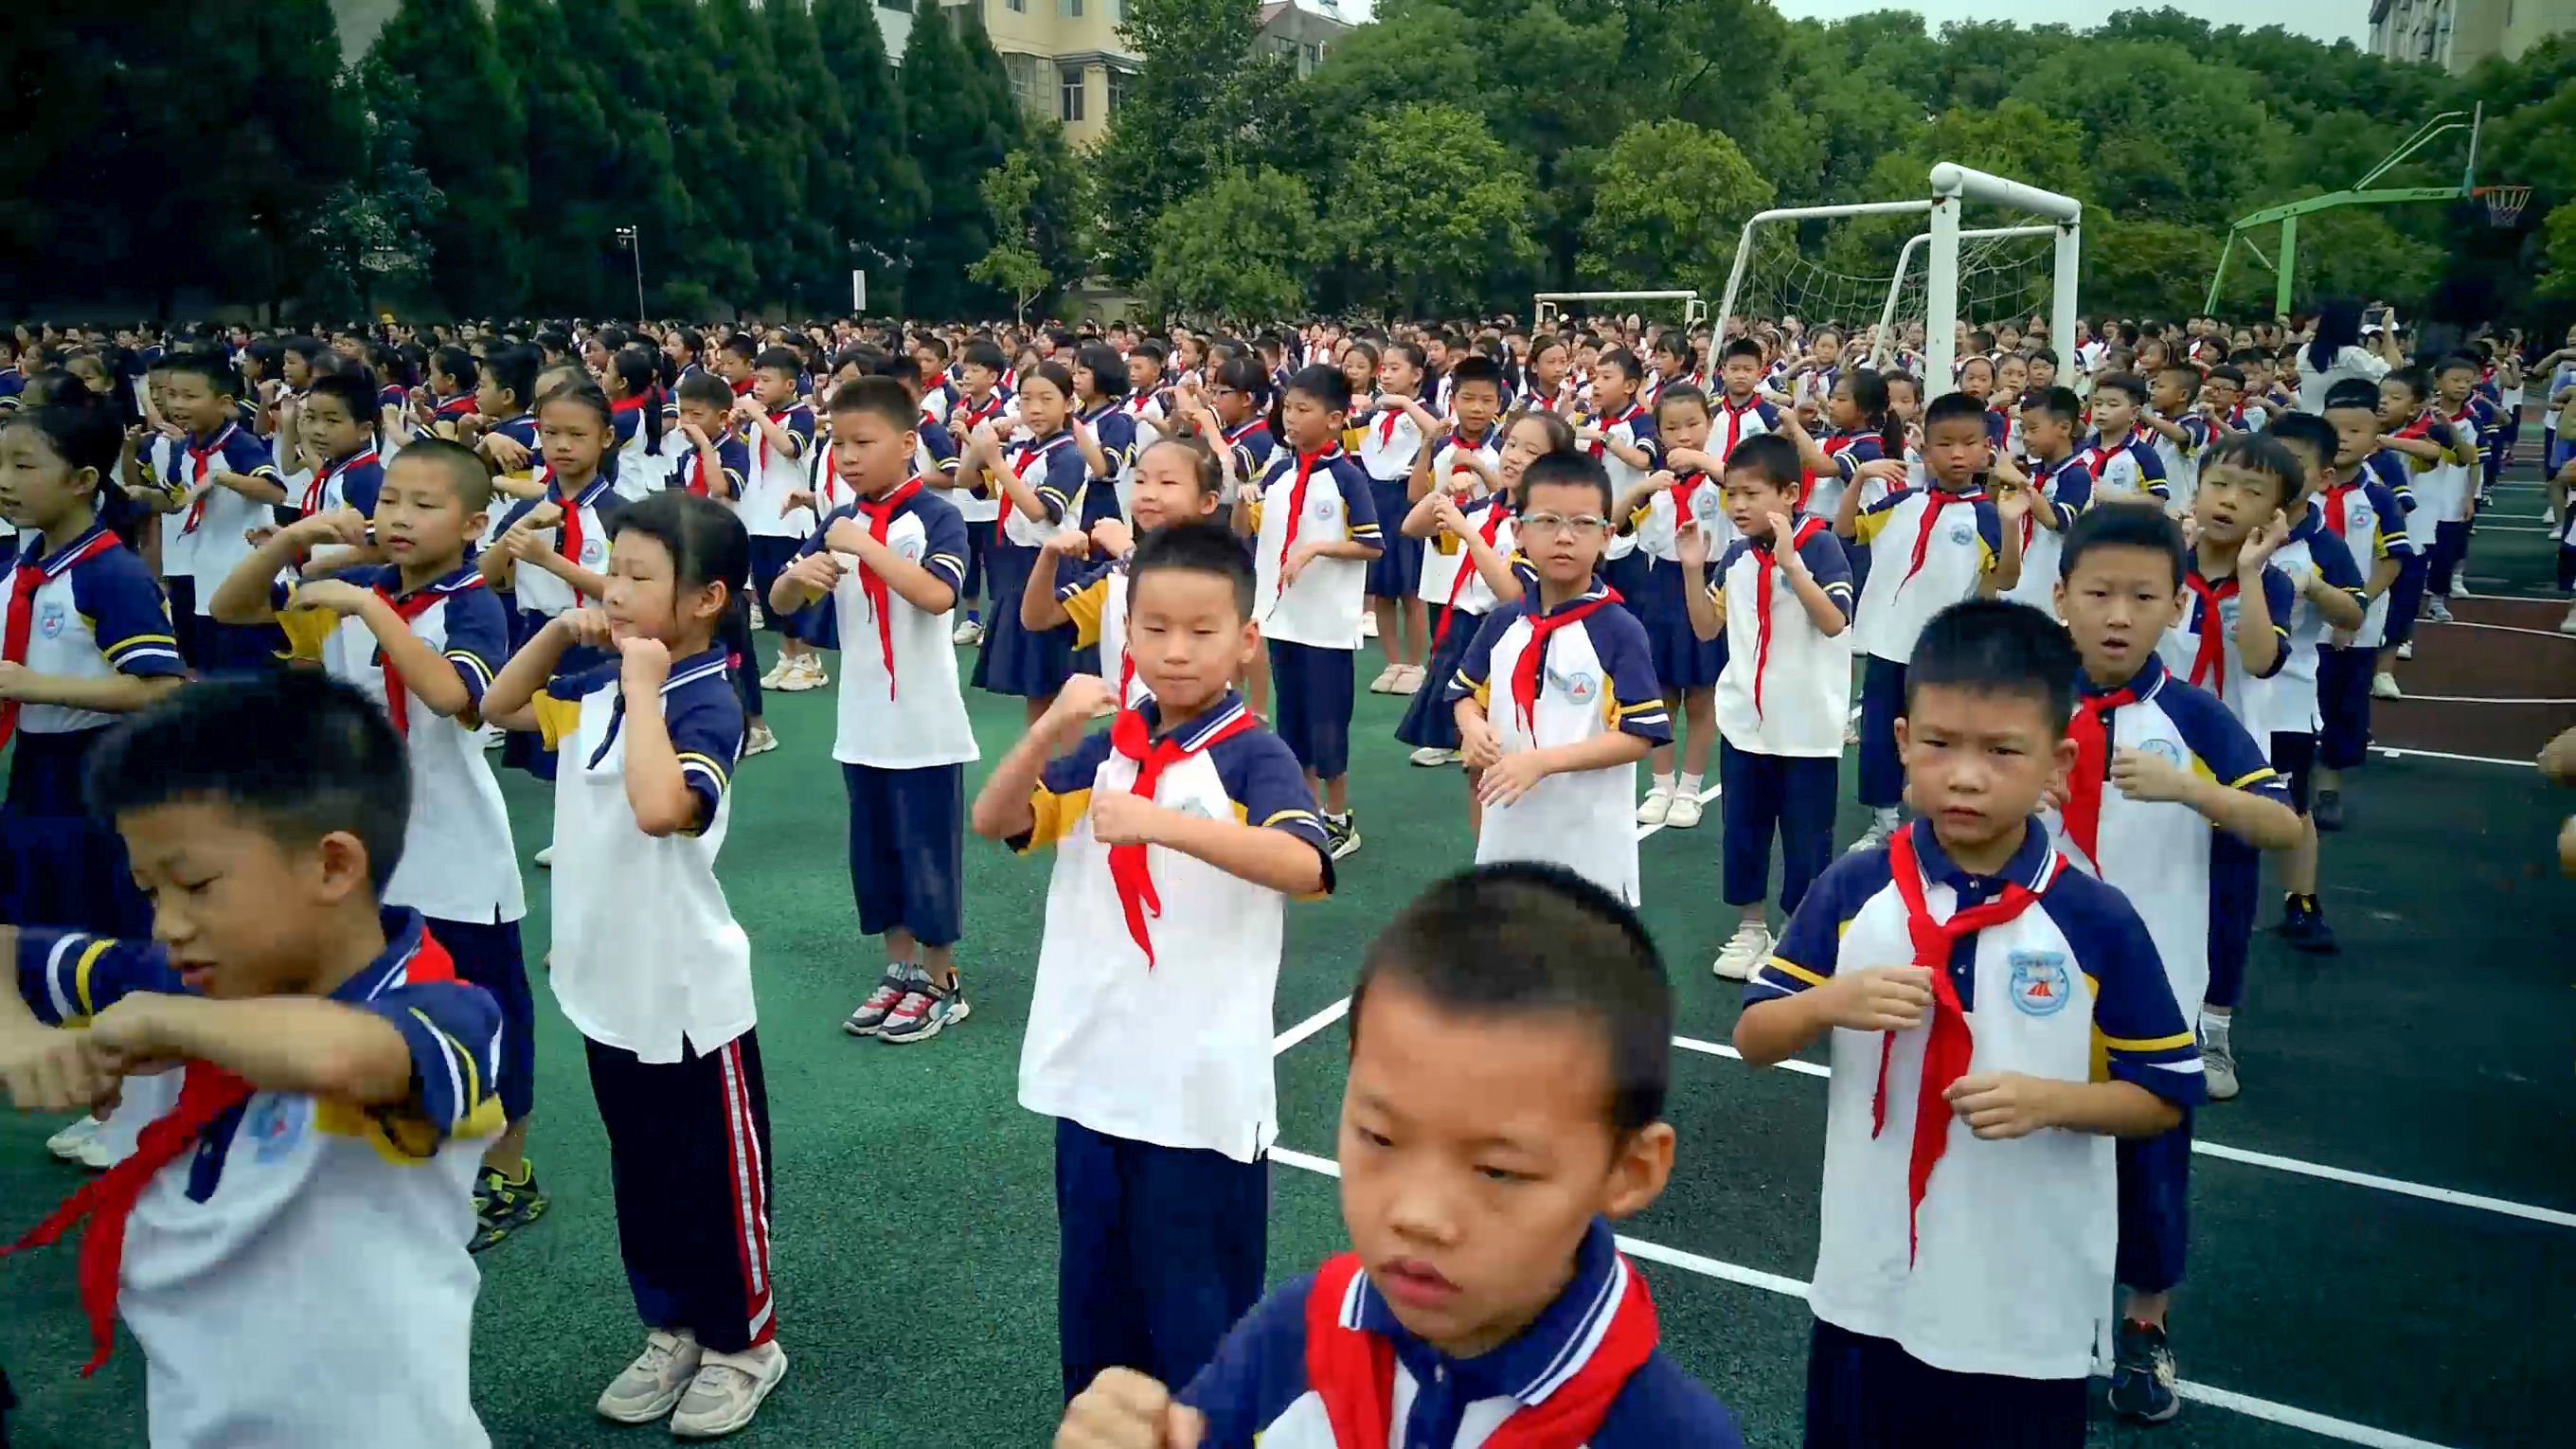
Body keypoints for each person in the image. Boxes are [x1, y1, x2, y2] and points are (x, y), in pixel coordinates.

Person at [1054, 864, 1744, 1449]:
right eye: (1379, 1138)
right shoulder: (1298, 1329)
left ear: (1631, 1170)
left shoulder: (1669, 1431)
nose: (1417, 1215)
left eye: (1499, 1170)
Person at [1736, 599, 2203, 1449]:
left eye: (2001, 752)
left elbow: (2166, 1096)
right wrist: (1825, 1003)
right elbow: (1756, 1038)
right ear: (1902, 741)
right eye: (1941, 744)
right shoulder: (1852, 890)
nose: (1965, 775)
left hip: (2022, 1307)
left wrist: (2051, 1102)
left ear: (2057, 763)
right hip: (1867, 1285)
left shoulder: (2094, 917)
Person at [0, 671, 507, 1447]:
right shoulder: (191, 974)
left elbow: (353, 1057)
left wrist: (162, 1024)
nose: (166, 924)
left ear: (334, 866)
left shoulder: (450, 1009)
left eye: (195, 886)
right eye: (148, 891)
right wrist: (22, 1036)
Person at [973, 520, 1333, 1408]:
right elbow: (995, 819)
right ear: (1126, 632)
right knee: (1096, 1311)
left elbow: (1307, 865)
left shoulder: (1254, 753)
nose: (1176, 652)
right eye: (1155, 630)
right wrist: (1047, 732)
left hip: (1195, 1094)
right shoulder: (1113, 745)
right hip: (1094, 1073)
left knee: (1197, 1322)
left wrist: (1162, 823)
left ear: (1246, 641)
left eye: (1203, 632)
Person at [483, 491, 786, 1438]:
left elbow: (664, 809)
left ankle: (745, 1343)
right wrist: (561, 637)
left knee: (712, 1180)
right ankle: (670, 1326)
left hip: (689, 995)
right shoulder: (592, 682)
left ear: (705, 599)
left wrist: (643, 687)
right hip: (605, 980)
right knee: (643, 1173)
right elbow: (492, 707)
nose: (612, 590)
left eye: (637, 577)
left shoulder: (705, 698)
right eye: (609, 569)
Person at [209, 437, 546, 1250]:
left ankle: (509, 1169)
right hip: (367, 850)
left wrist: (369, 609)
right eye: (390, 499)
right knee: (379, 1003)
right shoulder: (361, 583)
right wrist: (295, 542)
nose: (398, 517)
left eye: (424, 506)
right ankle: (405, 1146)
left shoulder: (471, 602)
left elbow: (457, 698)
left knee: (486, 1008)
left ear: (472, 525)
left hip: (457, 851)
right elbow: (231, 610)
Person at [2046, 505, 2301, 1420]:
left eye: (2143, 596)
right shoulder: (2029, 703)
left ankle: (2145, 1328)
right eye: (2099, 593)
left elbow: (2282, 824)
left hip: (2150, 995)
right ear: (2061, 598)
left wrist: (2191, 789)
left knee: (2149, 1165)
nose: (2119, 614)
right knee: (2030, 1147)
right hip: (2030, 985)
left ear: (2173, 607)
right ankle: (2040, 1310)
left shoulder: (2192, 714)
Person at [769, 377, 978, 1046]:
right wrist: (794, 579)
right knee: (876, 855)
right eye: (838, 444)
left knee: (927, 855)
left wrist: (867, 548)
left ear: (909, 443)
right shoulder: (838, 519)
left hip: (925, 725)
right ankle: (900, 969)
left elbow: (939, 596)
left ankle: (943, 982)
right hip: (861, 723)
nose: (848, 456)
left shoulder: (934, 517)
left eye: (864, 442)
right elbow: (778, 603)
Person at [0, 390, 188, 940]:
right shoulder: (23, 568)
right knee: (32, 913)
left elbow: (164, 688)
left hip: (92, 770)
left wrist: (40, 686)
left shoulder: (109, 574)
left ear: (82, 481)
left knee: (94, 920)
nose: (5, 479)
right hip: (32, 767)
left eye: (23, 465)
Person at [1448, 450, 1668, 903]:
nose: (1565, 537)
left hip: (1587, 842)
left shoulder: (1618, 630)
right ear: (1518, 532)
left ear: (1607, 536)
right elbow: (1465, 694)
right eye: (1547, 521)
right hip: (1509, 829)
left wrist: (1542, 762)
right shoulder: (1503, 622)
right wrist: (1472, 725)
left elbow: (1638, 736)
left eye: (1583, 524)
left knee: (1580, 959)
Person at [1678, 433, 1854, 978]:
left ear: (1790, 494)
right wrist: (1690, 568)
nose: (1739, 506)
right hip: (1745, 725)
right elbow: (1707, 629)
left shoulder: (1821, 546)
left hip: (1806, 729)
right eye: (1731, 494)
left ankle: (1799, 937)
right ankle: (1751, 927)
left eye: (1752, 494)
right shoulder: (1734, 556)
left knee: (1806, 839)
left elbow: (1834, 622)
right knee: (1744, 832)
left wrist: (1791, 565)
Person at [1836, 391, 2028, 853]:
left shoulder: (1986, 514)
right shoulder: (1901, 502)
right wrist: (1860, 477)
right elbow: (1845, 530)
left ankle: (1938, 818)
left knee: (1939, 737)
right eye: (1944, 443)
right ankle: (1883, 822)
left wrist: (2010, 525)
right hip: (1887, 642)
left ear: (1988, 449)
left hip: (1945, 652)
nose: (1957, 454)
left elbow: (2005, 577)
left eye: (1969, 443)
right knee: (1881, 735)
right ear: (1925, 450)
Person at [1242, 365, 1383, 860]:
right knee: (1293, 720)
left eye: (1304, 410)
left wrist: (1317, 549)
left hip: (1327, 623)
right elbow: (1256, 530)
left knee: (1328, 723)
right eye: (1288, 409)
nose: (1291, 419)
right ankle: (1302, 809)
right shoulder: (1280, 472)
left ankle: (1340, 818)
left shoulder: (1347, 477)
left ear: (1336, 419)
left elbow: (1371, 544)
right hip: (1284, 618)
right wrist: (1242, 501)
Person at [2282, 399, 2410, 834]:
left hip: (2356, 625)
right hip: (2298, 627)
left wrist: (2350, 607)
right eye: (2333, 431)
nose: (2342, 441)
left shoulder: (2377, 496)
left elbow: (2391, 560)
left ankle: (2329, 787)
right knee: (2296, 702)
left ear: (2375, 441)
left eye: (2353, 432)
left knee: (2341, 707)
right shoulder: (2292, 495)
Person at [1027, 436, 1227, 709]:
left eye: (1167, 483)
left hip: (1200, 724)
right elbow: (1039, 617)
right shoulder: (1118, 573)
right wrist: (1048, 556)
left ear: (1208, 502)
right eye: (1141, 480)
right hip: (1135, 729)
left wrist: (1127, 551)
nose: (1148, 493)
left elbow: (1177, 597)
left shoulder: (1218, 563)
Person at [1396, 360, 1518, 772]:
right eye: (1468, 398)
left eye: (1487, 400)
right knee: (1444, 646)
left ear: (1500, 403)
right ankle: (1448, 734)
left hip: (1489, 562)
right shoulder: (1440, 443)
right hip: (1443, 558)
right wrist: (1430, 447)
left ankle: (1477, 730)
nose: (1477, 408)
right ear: (1453, 400)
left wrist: (1480, 467)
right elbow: (1415, 497)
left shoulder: (1505, 448)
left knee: (1480, 651)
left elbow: (1515, 496)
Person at [1613, 382, 1716, 832]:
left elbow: (1739, 480)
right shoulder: (1655, 484)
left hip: (1707, 585)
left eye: (1693, 424)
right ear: (1658, 435)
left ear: (1710, 426)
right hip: (1656, 587)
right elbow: (1612, 524)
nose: (1684, 435)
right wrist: (1640, 490)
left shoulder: (1722, 480)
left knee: (1700, 694)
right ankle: (1660, 784)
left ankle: (1691, 788)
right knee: (1659, 691)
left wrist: (1703, 462)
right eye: (1672, 428)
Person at [966, 361, 1086, 724]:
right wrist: (980, 438)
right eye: (1026, 399)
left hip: (1052, 570)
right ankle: (1043, 771)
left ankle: (1055, 771)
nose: (1034, 409)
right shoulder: (1021, 450)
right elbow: (964, 479)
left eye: (1046, 399)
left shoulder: (1068, 455)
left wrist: (996, 462)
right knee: (1037, 687)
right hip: (1016, 567)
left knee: (1051, 684)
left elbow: (1039, 512)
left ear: (1069, 404)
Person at [155, 350, 285, 672]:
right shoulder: (183, 447)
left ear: (224, 403)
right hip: (203, 573)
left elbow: (275, 493)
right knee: (210, 665)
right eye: (171, 395)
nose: (178, 405)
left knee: (249, 670)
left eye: (190, 396)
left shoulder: (239, 444)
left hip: (246, 575)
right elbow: (176, 500)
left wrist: (222, 477)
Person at [737, 348, 825, 695]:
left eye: (766, 380)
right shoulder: (765, 418)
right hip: (762, 517)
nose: (757, 386)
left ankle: (810, 662)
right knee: (768, 589)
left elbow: (790, 448)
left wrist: (758, 415)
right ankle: (788, 658)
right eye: (755, 379)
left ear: (789, 384)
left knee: (795, 592)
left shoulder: (800, 415)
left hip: (792, 520)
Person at [1357, 342, 1436, 695]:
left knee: (1411, 588)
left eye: (1394, 369)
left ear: (1417, 375)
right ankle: (1393, 662)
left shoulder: (1421, 410)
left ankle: (1415, 663)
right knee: (1383, 587)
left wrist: (1404, 403)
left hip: (1407, 499)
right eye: (1383, 369)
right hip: (1376, 499)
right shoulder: (1375, 416)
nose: (1386, 376)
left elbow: (1438, 430)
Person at [2003, 386, 2092, 612]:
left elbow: (2055, 521)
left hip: (2050, 584)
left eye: (2033, 429)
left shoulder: (2077, 474)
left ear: (2063, 428)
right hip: (2022, 578)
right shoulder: (2035, 470)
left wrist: (2021, 483)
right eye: (2022, 429)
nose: (2025, 437)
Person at [2076, 373, 2170, 508]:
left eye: (2113, 405)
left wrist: (2115, 497)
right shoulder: (2081, 450)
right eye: (2098, 404)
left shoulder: (2144, 454)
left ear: (2134, 413)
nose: (2102, 411)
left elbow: (2158, 500)